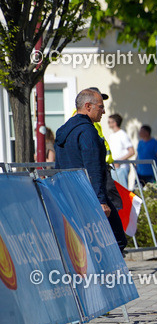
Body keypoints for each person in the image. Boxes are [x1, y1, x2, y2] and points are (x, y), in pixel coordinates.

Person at [53, 88, 127, 252]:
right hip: (88, 195)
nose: (104, 111)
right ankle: (109, 276)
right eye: (100, 107)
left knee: (84, 242)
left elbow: (58, 166)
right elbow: (93, 167)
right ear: (88, 106)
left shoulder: (63, 130)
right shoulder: (87, 131)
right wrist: (101, 201)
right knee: (117, 239)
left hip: (68, 193)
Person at [106, 113, 135, 187]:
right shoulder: (112, 135)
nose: (108, 123)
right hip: (114, 167)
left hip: (122, 168)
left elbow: (131, 151)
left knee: (123, 191)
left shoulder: (122, 134)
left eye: (109, 122)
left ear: (115, 123)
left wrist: (119, 161)